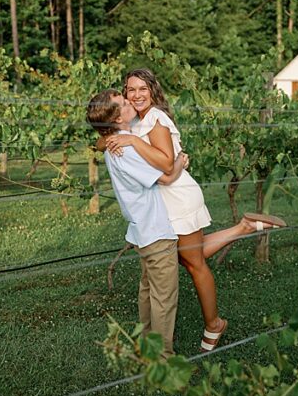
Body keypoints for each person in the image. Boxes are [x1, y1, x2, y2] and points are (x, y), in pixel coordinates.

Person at [101, 68, 287, 352]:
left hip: (175, 195)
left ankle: (214, 324)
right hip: (160, 201)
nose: (136, 95)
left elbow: (165, 165)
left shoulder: (156, 120)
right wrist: (109, 138)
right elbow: (105, 133)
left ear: (152, 90)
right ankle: (243, 227)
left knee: (193, 263)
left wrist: (133, 141)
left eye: (142, 88)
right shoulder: (133, 119)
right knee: (181, 259)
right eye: (130, 90)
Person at [87, 89, 189, 357]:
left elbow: (100, 140)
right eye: (123, 101)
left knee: (148, 291)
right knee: (164, 299)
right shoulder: (124, 151)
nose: (130, 100)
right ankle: (163, 360)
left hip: (141, 231)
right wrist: (180, 162)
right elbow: (166, 177)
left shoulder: (117, 142)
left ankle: (146, 347)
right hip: (155, 231)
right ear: (118, 116)